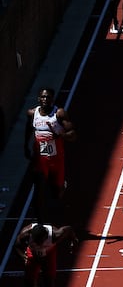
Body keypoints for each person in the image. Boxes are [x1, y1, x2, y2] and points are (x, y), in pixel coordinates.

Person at [24, 87, 76, 220]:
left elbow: (73, 135)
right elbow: (29, 128)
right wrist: (25, 146)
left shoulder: (59, 114)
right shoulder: (32, 113)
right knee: (38, 189)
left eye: (48, 97)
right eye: (42, 97)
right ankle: (39, 220)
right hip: (40, 159)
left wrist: (60, 135)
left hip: (56, 158)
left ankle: (60, 185)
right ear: (38, 98)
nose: (45, 99)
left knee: (55, 193)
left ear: (52, 99)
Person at [15, 223, 77, 287]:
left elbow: (69, 229)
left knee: (49, 281)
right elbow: (16, 246)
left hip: (49, 254)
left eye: (40, 241)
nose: (38, 244)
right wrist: (23, 257)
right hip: (33, 254)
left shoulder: (55, 234)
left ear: (45, 236)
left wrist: (73, 240)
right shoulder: (25, 234)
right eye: (36, 241)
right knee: (28, 285)